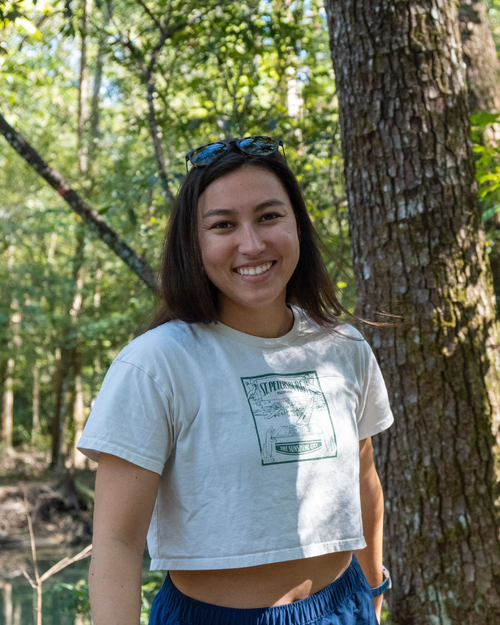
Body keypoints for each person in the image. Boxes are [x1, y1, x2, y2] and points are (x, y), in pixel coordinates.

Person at [77, 136, 394, 625]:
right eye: (223, 225)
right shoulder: (155, 365)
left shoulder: (343, 348)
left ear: (297, 226)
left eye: (269, 216)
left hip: (343, 606)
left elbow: (362, 482)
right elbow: (117, 543)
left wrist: (372, 591)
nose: (252, 243)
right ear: (194, 244)